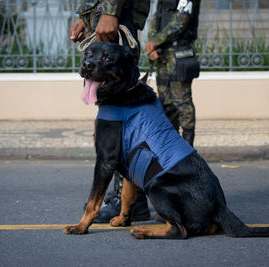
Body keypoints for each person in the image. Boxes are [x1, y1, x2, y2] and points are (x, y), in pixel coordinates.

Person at [69, 0, 151, 223]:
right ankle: (132, 201)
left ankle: (127, 201)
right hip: (105, 16)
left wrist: (110, 12)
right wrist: (85, 18)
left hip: (116, 14)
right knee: (114, 112)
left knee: (119, 117)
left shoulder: (112, 14)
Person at [145, 0, 201, 146]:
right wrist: (152, 44)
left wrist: (154, 42)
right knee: (166, 104)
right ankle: (172, 147)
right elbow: (156, 19)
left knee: (182, 103)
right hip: (162, 54)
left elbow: (179, 22)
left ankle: (188, 148)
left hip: (180, 54)